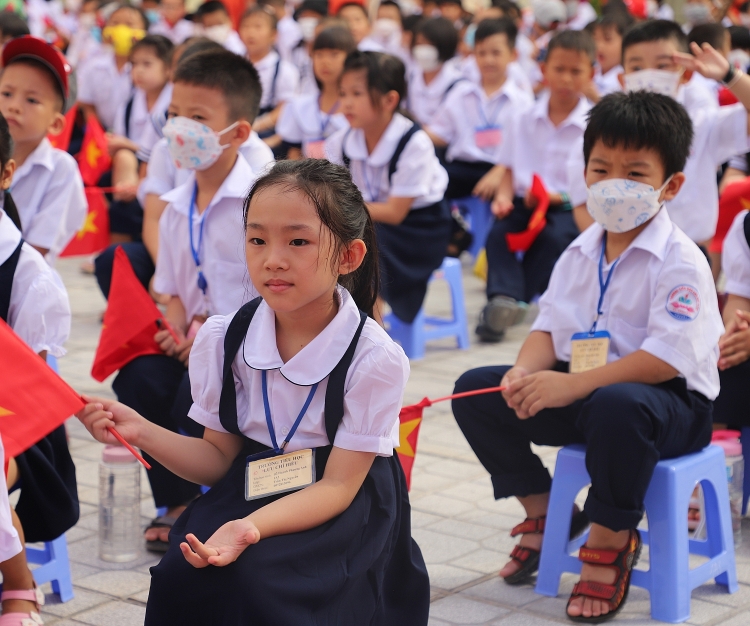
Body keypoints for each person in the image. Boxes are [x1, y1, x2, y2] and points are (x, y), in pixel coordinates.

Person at [76, 158, 430, 625]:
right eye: (257, 239)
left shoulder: (374, 357)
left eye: (298, 241)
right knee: (181, 576)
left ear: (349, 256)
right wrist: (140, 431)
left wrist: (250, 528)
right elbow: (217, 459)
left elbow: (339, 486)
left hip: (340, 507)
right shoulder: (225, 338)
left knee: (259, 583)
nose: (273, 259)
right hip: (252, 483)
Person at [452, 91, 722, 622]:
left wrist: (574, 385)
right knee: (477, 391)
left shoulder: (682, 260)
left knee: (617, 404)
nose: (614, 182)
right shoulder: (579, 250)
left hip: (668, 407)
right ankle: (548, 512)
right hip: (591, 393)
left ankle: (611, 536)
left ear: (672, 186)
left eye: (635, 173)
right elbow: (549, 329)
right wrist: (523, 372)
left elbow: (665, 359)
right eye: (601, 167)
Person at [110, 48, 263, 553]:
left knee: (188, 394)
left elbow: (272, 303)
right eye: (176, 114)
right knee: (137, 377)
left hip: (249, 355)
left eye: (199, 119)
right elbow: (176, 294)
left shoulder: (259, 205)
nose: (181, 129)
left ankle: (215, 501)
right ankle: (174, 501)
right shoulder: (178, 210)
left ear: (238, 133)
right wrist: (175, 332)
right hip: (199, 346)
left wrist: (202, 340)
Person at [569, 20, 750, 251]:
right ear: (622, 79)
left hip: (693, 247)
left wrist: (728, 74)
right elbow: (581, 204)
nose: (650, 75)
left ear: (685, 76)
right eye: (637, 67)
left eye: (662, 65)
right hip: (623, 251)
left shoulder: (705, 125)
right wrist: (609, 250)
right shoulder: (599, 135)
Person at [0, 111, 78, 626]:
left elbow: (34, 402)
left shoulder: (30, 281)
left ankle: (18, 583)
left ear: (5, 174)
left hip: (18, 435)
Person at [475, 30, 592, 342]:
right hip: (526, 201)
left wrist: (558, 197)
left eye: (576, 71)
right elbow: (509, 168)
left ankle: (512, 304)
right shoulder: (521, 115)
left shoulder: (593, 124)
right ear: (544, 70)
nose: (566, 78)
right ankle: (503, 298)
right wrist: (502, 198)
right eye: (559, 69)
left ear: (591, 73)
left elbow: (592, 180)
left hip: (568, 204)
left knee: (554, 238)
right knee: (499, 233)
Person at [326, 51, 451, 324]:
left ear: (389, 100)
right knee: (332, 242)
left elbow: (396, 212)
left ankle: (373, 334)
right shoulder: (340, 141)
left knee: (363, 250)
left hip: (417, 229)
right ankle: (337, 324)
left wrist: (340, 209)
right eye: (343, 93)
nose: (346, 103)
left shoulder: (413, 142)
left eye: (357, 94)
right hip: (365, 220)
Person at [0, 36, 86, 263]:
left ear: (55, 123)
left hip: (18, 286)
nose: (14, 106)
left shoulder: (60, 170)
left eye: (32, 100)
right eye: (6, 93)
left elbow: (36, 252)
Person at [427, 18, 533, 201]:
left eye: (496, 53)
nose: (488, 60)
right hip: (459, 169)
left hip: (500, 171)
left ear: (513, 54)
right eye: (481, 53)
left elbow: (526, 148)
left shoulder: (522, 101)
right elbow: (439, 133)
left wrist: (500, 171)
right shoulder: (461, 93)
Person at [107, 35, 174, 244]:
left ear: (168, 69)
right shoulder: (127, 106)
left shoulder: (175, 104)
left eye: (147, 64)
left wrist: (127, 145)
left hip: (166, 169)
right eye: (134, 64)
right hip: (132, 170)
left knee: (127, 153)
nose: (139, 71)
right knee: (124, 158)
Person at [277, 25, 353, 160]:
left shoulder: (357, 108)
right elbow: (293, 154)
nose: (325, 62)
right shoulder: (300, 105)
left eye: (334, 54)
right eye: (319, 55)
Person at [77, 4, 148, 130]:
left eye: (129, 24)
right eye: (115, 23)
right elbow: (88, 104)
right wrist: (99, 134)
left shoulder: (149, 70)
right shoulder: (94, 66)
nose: (121, 29)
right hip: (102, 134)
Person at [240, 5, 299, 150]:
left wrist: (256, 126)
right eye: (246, 26)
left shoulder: (285, 70)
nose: (250, 32)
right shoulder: (233, 65)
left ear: (274, 35)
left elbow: (284, 108)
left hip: (267, 136)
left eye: (258, 27)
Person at [711, 208, 750, 428]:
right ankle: (726, 456)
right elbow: (739, 297)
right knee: (723, 364)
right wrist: (738, 327)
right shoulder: (745, 225)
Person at [406, 17, 464, 126]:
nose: (423, 49)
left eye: (430, 44)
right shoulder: (411, 77)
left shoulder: (459, 85)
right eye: (419, 43)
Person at [587, 12, 632, 101]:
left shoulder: (626, 80)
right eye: (595, 39)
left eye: (607, 39)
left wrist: (596, 98)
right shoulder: (589, 72)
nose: (599, 46)